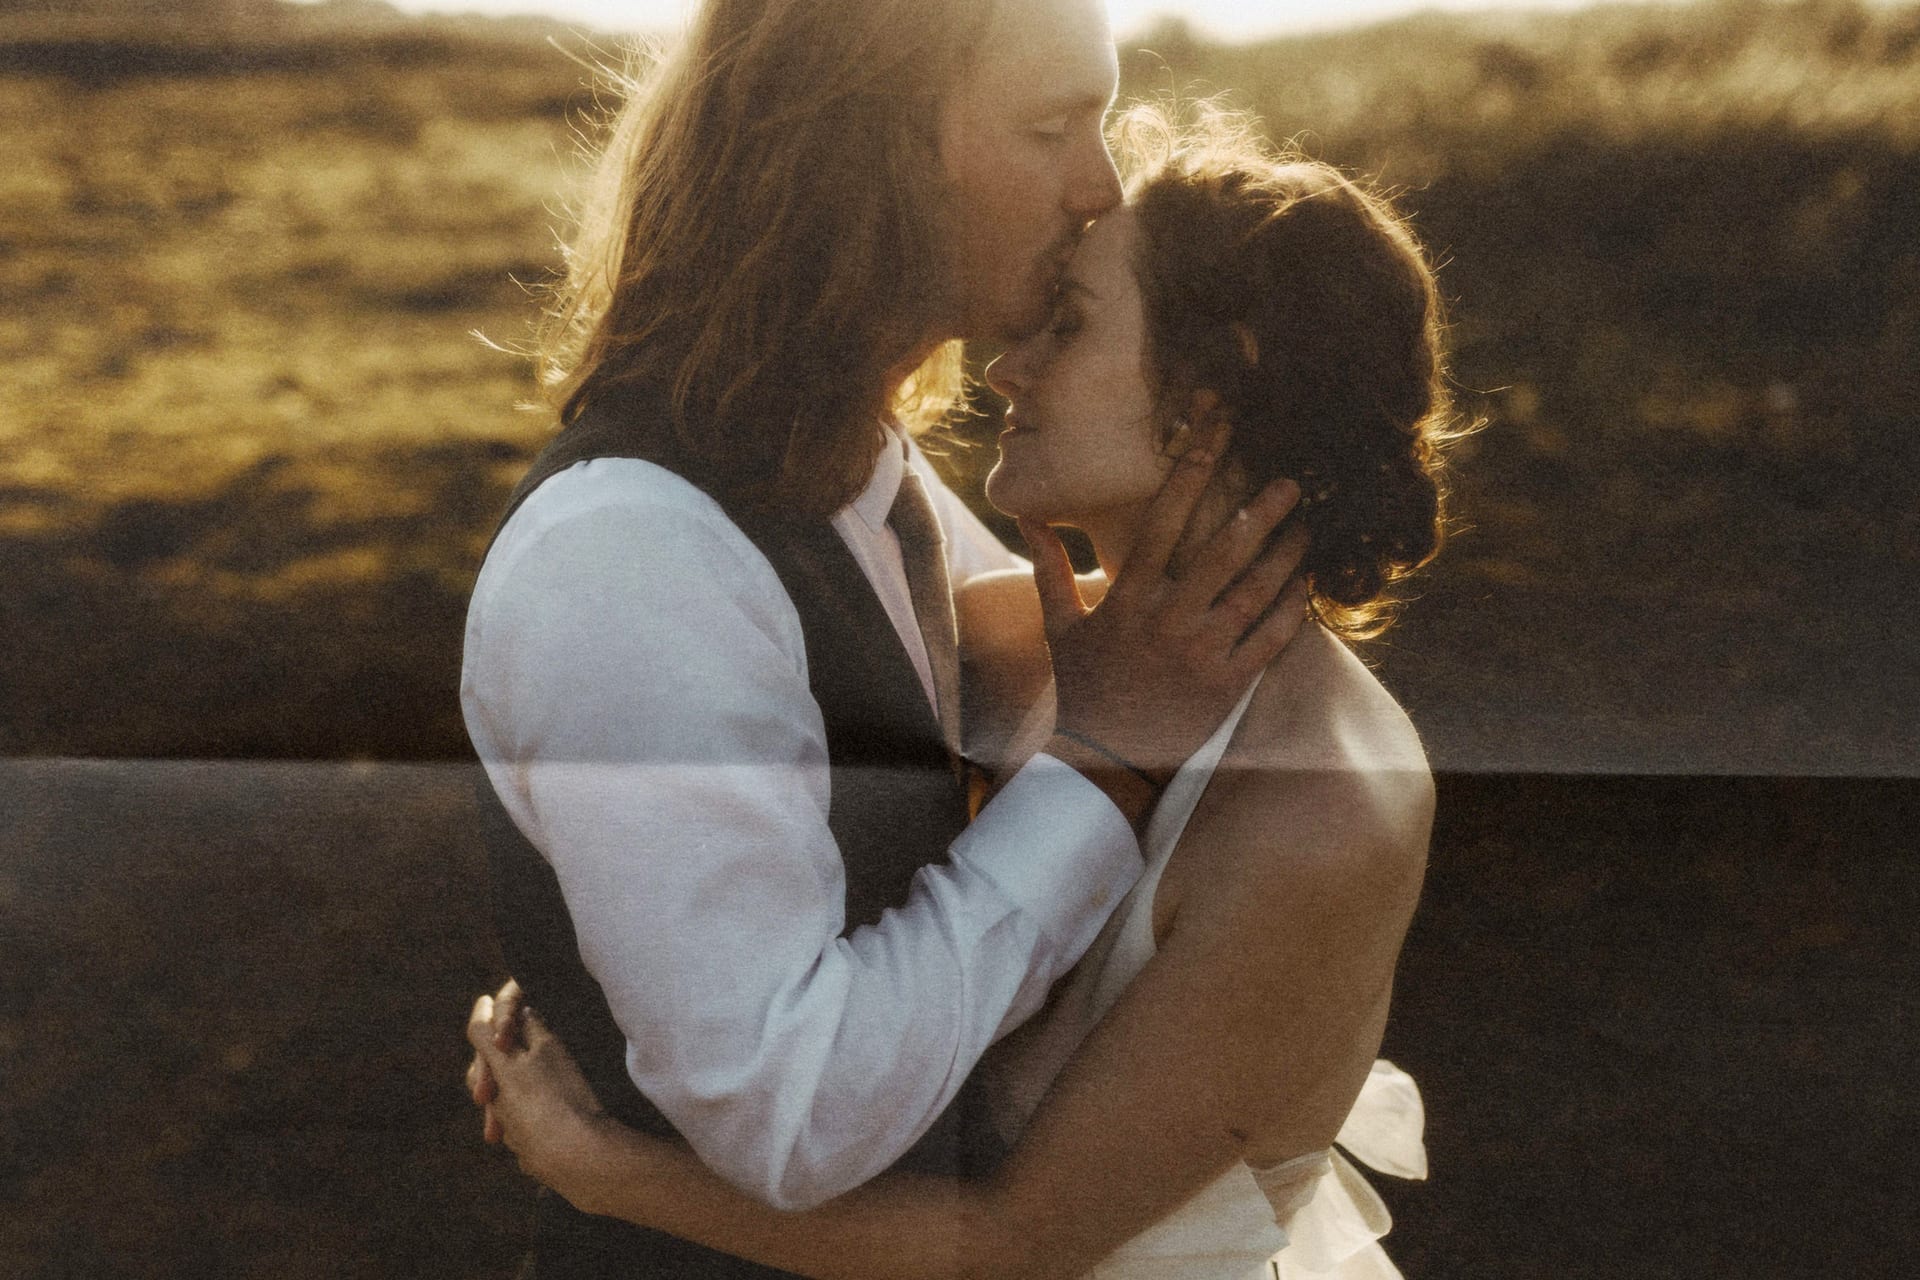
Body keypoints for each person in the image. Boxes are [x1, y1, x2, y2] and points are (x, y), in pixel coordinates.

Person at [468, 105, 1466, 1280]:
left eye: (1068, 326)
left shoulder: (1328, 800)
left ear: (1207, 401)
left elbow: (1013, 1240)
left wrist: (602, 1169)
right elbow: (714, 739)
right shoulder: (1058, 640)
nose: (1006, 365)